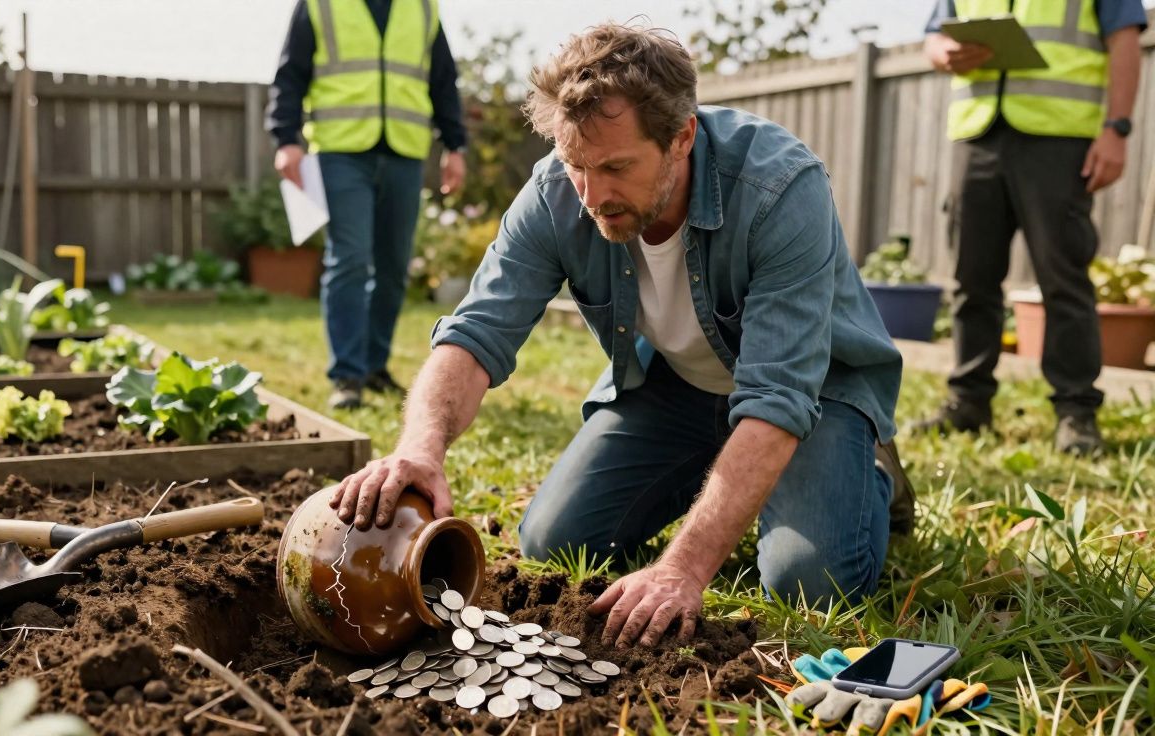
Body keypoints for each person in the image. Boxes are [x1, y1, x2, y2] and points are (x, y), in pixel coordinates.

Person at [329, 23, 913, 648]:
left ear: (682, 136)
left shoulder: (780, 189)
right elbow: (476, 333)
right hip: (678, 385)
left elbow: (778, 397)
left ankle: (869, 465)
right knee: (553, 541)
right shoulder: (557, 190)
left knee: (808, 581)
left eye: (616, 167)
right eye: (577, 164)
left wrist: (682, 567)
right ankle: (723, 476)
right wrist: (420, 446)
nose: (593, 195)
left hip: (813, 396)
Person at [920, 0, 1146, 454]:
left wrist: (1116, 129)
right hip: (977, 135)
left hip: (1059, 137)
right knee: (971, 278)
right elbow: (934, 34)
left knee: (1063, 279)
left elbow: (1125, 39)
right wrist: (944, 53)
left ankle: (1076, 412)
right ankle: (968, 401)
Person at [267, 0, 468, 410]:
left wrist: (455, 145)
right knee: (351, 258)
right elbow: (290, 75)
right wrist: (286, 138)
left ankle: (375, 366)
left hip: (404, 152)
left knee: (395, 265)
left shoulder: (423, 8)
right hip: (341, 151)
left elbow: (443, 80)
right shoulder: (320, 6)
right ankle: (347, 375)